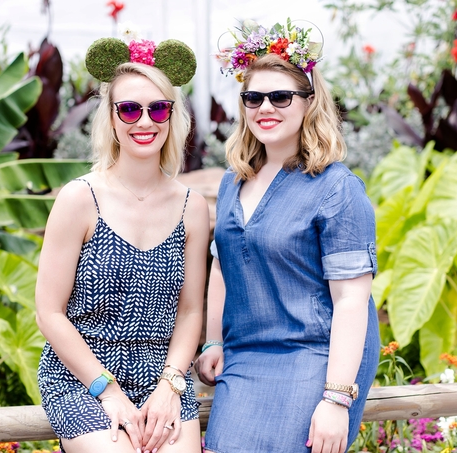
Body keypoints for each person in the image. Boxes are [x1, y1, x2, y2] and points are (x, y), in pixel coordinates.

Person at [195, 20, 380, 453]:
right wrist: (214, 340)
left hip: (315, 358)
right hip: (246, 357)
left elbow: (352, 300)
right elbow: (222, 267)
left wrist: (336, 398)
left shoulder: (337, 188)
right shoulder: (230, 184)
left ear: (309, 102)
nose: (265, 108)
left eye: (280, 96)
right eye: (253, 97)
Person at [36, 36, 209, 453]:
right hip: (83, 374)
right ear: (111, 119)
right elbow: (49, 312)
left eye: (158, 108)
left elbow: (190, 312)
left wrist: (171, 385)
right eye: (129, 108)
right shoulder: (79, 198)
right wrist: (108, 391)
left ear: (172, 116)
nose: (144, 121)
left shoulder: (192, 206)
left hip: (161, 372)